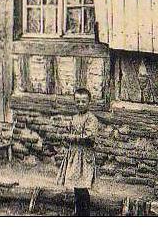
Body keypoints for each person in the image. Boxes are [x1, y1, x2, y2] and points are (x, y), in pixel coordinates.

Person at [57, 88, 99, 217]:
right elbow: (70, 130)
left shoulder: (91, 119)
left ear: (89, 102)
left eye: (83, 101)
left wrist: (74, 137)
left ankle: (84, 214)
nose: (80, 104)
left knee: (82, 185)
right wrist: (66, 135)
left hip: (84, 155)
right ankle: (78, 212)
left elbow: (90, 136)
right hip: (74, 155)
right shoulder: (74, 118)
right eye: (78, 101)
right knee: (76, 183)